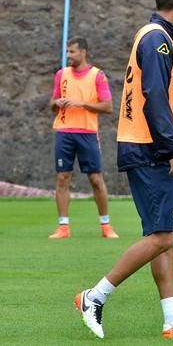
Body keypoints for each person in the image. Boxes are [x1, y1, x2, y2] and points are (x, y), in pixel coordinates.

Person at [74, 0, 173, 339]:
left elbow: (158, 99)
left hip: (144, 146)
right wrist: (172, 149)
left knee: (161, 235)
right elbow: (153, 97)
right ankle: (94, 296)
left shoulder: (152, 37)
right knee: (162, 236)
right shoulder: (157, 41)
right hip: (150, 151)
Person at [48, 37, 118, 240]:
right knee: (62, 178)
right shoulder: (62, 75)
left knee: (96, 179)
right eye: (67, 52)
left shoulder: (98, 75)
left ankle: (106, 226)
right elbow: (52, 103)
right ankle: (63, 227)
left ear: (83, 52)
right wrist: (57, 103)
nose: (68, 55)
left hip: (87, 133)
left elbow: (107, 106)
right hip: (64, 132)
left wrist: (81, 103)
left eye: (72, 52)